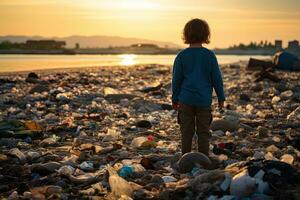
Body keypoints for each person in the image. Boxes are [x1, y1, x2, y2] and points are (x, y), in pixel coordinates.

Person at [172, 18, 225, 156]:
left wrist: (174, 98)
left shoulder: (181, 56)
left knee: (186, 132)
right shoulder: (209, 56)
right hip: (204, 100)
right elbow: (217, 79)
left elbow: (176, 80)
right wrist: (221, 97)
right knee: (203, 132)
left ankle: (185, 158)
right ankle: (203, 158)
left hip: (185, 100)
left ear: (186, 35)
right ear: (206, 35)